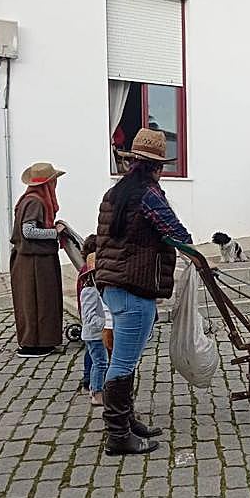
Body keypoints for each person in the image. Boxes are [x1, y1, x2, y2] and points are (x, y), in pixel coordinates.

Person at [96, 128, 192, 457]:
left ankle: (127, 421)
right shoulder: (149, 195)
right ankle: (118, 435)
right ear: (156, 167)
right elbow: (176, 231)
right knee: (123, 363)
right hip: (135, 290)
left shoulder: (116, 194)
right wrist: (192, 251)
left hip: (114, 287)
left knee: (124, 360)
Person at [10, 162, 66, 359]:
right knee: (36, 302)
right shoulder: (35, 202)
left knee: (43, 301)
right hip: (33, 261)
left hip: (37, 258)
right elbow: (28, 231)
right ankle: (34, 345)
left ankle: (43, 341)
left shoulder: (35, 200)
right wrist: (54, 232)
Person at [79, 252, 112, 407]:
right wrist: (106, 323)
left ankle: (97, 388)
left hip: (100, 334)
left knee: (100, 362)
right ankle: (96, 392)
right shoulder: (89, 291)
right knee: (100, 363)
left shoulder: (99, 290)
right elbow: (89, 317)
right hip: (94, 335)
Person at [77, 234, 98, 394]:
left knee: (92, 352)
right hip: (94, 323)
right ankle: (91, 381)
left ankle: (88, 378)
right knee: (96, 355)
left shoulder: (85, 271)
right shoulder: (89, 274)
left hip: (90, 320)